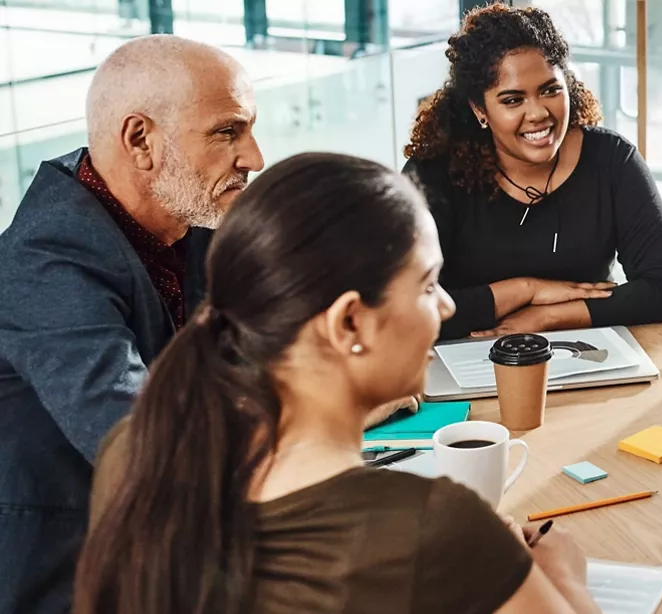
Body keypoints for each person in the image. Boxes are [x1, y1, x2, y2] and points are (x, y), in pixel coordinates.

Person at [75, 153, 602, 614]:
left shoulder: (133, 452)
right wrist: (563, 576)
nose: (445, 307)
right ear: (349, 322)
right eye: (426, 286)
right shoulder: (432, 526)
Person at [0, 35, 263, 613]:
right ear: (141, 140)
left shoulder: (187, 221)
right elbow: (145, 443)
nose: (254, 157)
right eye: (228, 132)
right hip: (73, 578)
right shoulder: (45, 261)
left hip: (176, 550)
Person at [404, 4, 662, 341]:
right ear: (480, 109)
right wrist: (526, 290)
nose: (538, 113)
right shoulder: (432, 175)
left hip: (584, 356)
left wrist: (549, 317)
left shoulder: (612, 160)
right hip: (461, 361)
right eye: (512, 100)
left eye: (550, 90)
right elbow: (404, 310)